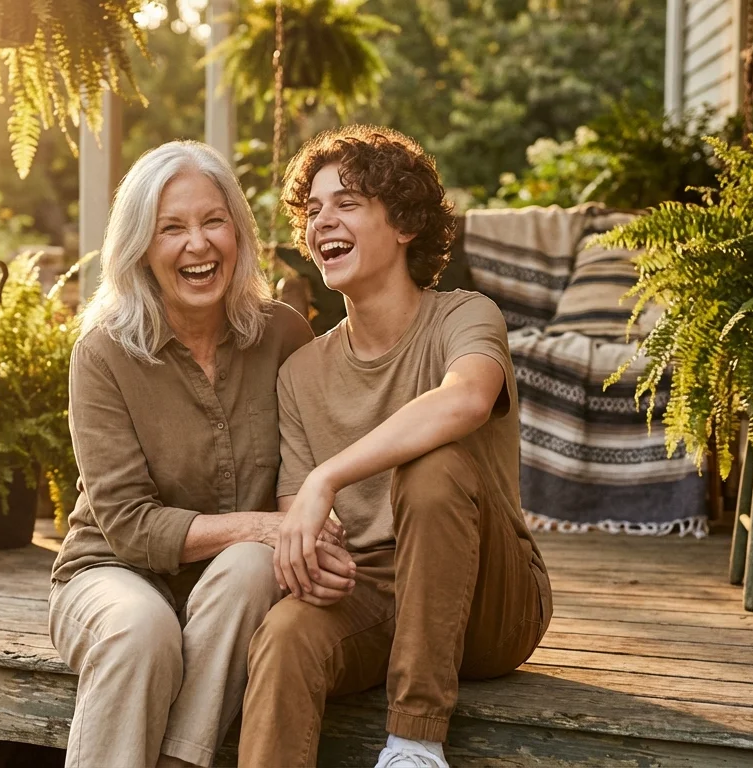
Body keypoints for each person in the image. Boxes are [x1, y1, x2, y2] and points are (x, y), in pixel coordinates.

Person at [239, 125, 553, 768]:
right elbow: (305, 518)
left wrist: (328, 476)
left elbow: (464, 400)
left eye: (347, 203)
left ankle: (414, 744)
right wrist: (313, 546)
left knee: (433, 467)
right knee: (285, 635)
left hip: (494, 600)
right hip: (376, 588)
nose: (324, 220)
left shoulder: (464, 315)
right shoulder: (300, 374)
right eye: (313, 208)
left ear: (406, 222)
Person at [49, 140, 327, 768]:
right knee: (142, 632)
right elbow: (127, 526)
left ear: (238, 230)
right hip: (112, 572)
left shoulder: (284, 334)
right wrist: (262, 526)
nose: (197, 245)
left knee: (255, 567)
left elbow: (318, 466)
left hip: (234, 588)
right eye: (170, 228)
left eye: (213, 221)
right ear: (141, 247)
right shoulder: (103, 354)